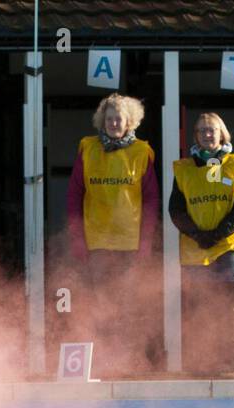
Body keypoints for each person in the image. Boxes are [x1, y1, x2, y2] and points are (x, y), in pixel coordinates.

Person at [66, 93, 161, 374]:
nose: (113, 123)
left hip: (130, 244)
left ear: (129, 121)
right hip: (97, 243)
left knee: (129, 305)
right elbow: (74, 196)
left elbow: (151, 200)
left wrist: (145, 243)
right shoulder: (87, 149)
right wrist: (77, 239)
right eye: (108, 118)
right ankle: (103, 360)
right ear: (101, 121)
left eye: (118, 118)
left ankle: (130, 361)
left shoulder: (142, 152)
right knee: (100, 304)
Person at [168, 112, 234, 375]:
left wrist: (216, 235)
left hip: (228, 248)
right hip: (196, 249)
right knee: (199, 308)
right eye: (202, 130)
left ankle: (228, 363)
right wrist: (198, 235)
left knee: (226, 310)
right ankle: (201, 363)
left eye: (212, 130)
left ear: (222, 134)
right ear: (196, 136)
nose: (207, 134)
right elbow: (176, 209)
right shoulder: (184, 170)